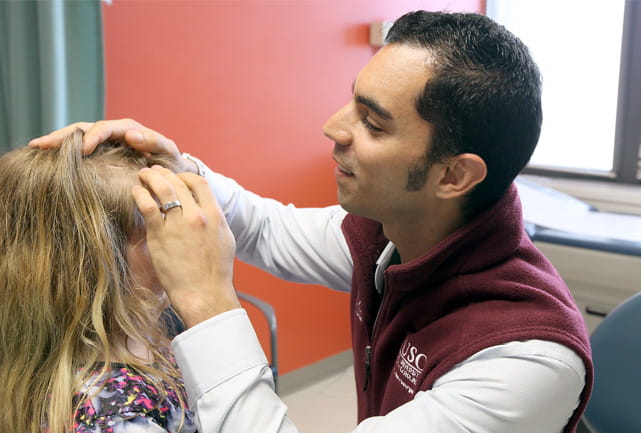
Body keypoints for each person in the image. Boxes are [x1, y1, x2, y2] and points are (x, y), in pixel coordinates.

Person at [30, 10, 593, 433]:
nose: (333, 127)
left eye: (373, 124)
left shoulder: (524, 360)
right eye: (352, 103)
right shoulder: (392, 236)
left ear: (453, 176)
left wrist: (208, 305)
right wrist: (179, 168)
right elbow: (267, 229)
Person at [0, 131, 197, 433]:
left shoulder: (144, 335)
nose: (184, 240)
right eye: (158, 228)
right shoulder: (119, 420)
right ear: (100, 264)